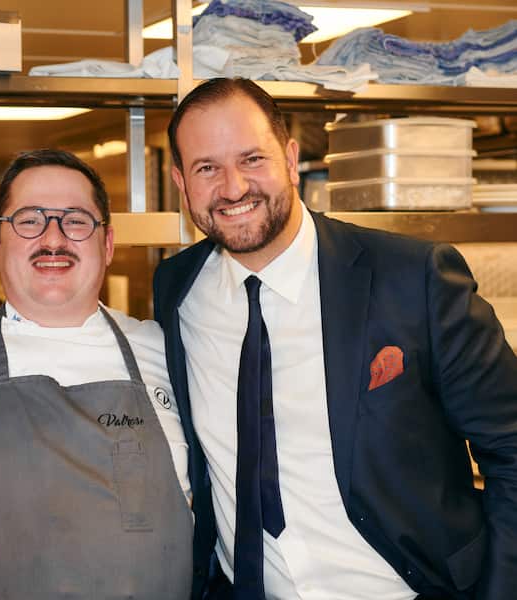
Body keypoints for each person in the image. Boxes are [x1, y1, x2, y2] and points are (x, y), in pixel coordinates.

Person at [154, 76, 517, 600]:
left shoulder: (411, 278)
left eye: (252, 159)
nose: (232, 188)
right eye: (207, 168)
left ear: (291, 157)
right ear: (181, 182)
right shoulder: (176, 289)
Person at [0, 148, 194, 599]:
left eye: (76, 219)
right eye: (30, 220)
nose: (53, 238)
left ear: (107, 244)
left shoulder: (167, 353)